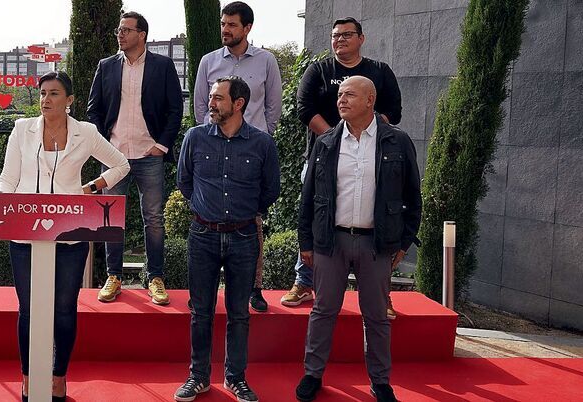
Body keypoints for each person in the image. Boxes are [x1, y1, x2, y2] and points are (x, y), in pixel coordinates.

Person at [0, 71, 130, 401]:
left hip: (71, 233)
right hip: (25, 234)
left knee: (65, 308)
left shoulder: (86, 132)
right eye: (42, 93)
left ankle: (58, 376)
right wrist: (1, 209)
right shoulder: (21, 130)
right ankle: (28, 377)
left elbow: (120, 164)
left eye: (54, 94)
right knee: (28, 309)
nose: (45, 99)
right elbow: (7, 178)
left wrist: (88, 189)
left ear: (69, 101)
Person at [294, 76, 420, 402]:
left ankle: (380, 382)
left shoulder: (397, 142)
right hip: (331, 242)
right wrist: (305, 242)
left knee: (376, 316)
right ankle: (312, 374)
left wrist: (403, 243)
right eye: (339, 94)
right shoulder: (325, 143)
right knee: (323, 311)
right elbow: (308, 199)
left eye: (350, 94)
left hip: (376, 244)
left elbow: (413, 198)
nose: (342, 100)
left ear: (370, 99)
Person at [288, 16, 403, 318]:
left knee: (377, 213)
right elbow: (304, 109)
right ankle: (303, 281)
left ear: (361, 39)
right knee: (315, 212)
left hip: (373, 159)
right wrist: (334, 138)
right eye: (335, 36)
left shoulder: (379, 72)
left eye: (346, 35)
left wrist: (365, 136)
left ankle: (383, 294)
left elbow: (393, 111)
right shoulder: (320, 70)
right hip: (322, 157)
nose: (339, 40)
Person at [174, 76, 280, 402]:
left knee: (239, 313)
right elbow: (184, 182)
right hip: (202, 234)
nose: (211, 103)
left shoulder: (262, 143)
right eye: (212, 97)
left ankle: (235, 379)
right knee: (200, 311)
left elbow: (270, 191)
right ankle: (199, 377)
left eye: (218, 98)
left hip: (244, 237)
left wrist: (244, 213)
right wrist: (207, 210)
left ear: (238, 104)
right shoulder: (195, 137)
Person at [87, 11, 183, 305]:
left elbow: (174, 110)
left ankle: (155, 277)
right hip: (114, 157)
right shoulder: (106, 66)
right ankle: (113, 277)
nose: (120, 34)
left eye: (126, 30)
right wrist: (104, 146)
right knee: (110, 218)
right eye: (119, 29)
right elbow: (94, 111)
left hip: (149, 155)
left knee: (153, 219)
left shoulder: (163, 66)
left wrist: (162, 145)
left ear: (142, 35)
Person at [194, 1, 282, 312]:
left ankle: (254, 288)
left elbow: (274, 108)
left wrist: (259, 139)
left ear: (247, 28)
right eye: (223, 24)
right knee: (207, 220)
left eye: (232, 25)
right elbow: (200, 108)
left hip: (251, 149)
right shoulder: (208, 61)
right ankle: (202, 292)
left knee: (252, 221)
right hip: (213, 147)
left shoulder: (266, 61)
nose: (225, 30)